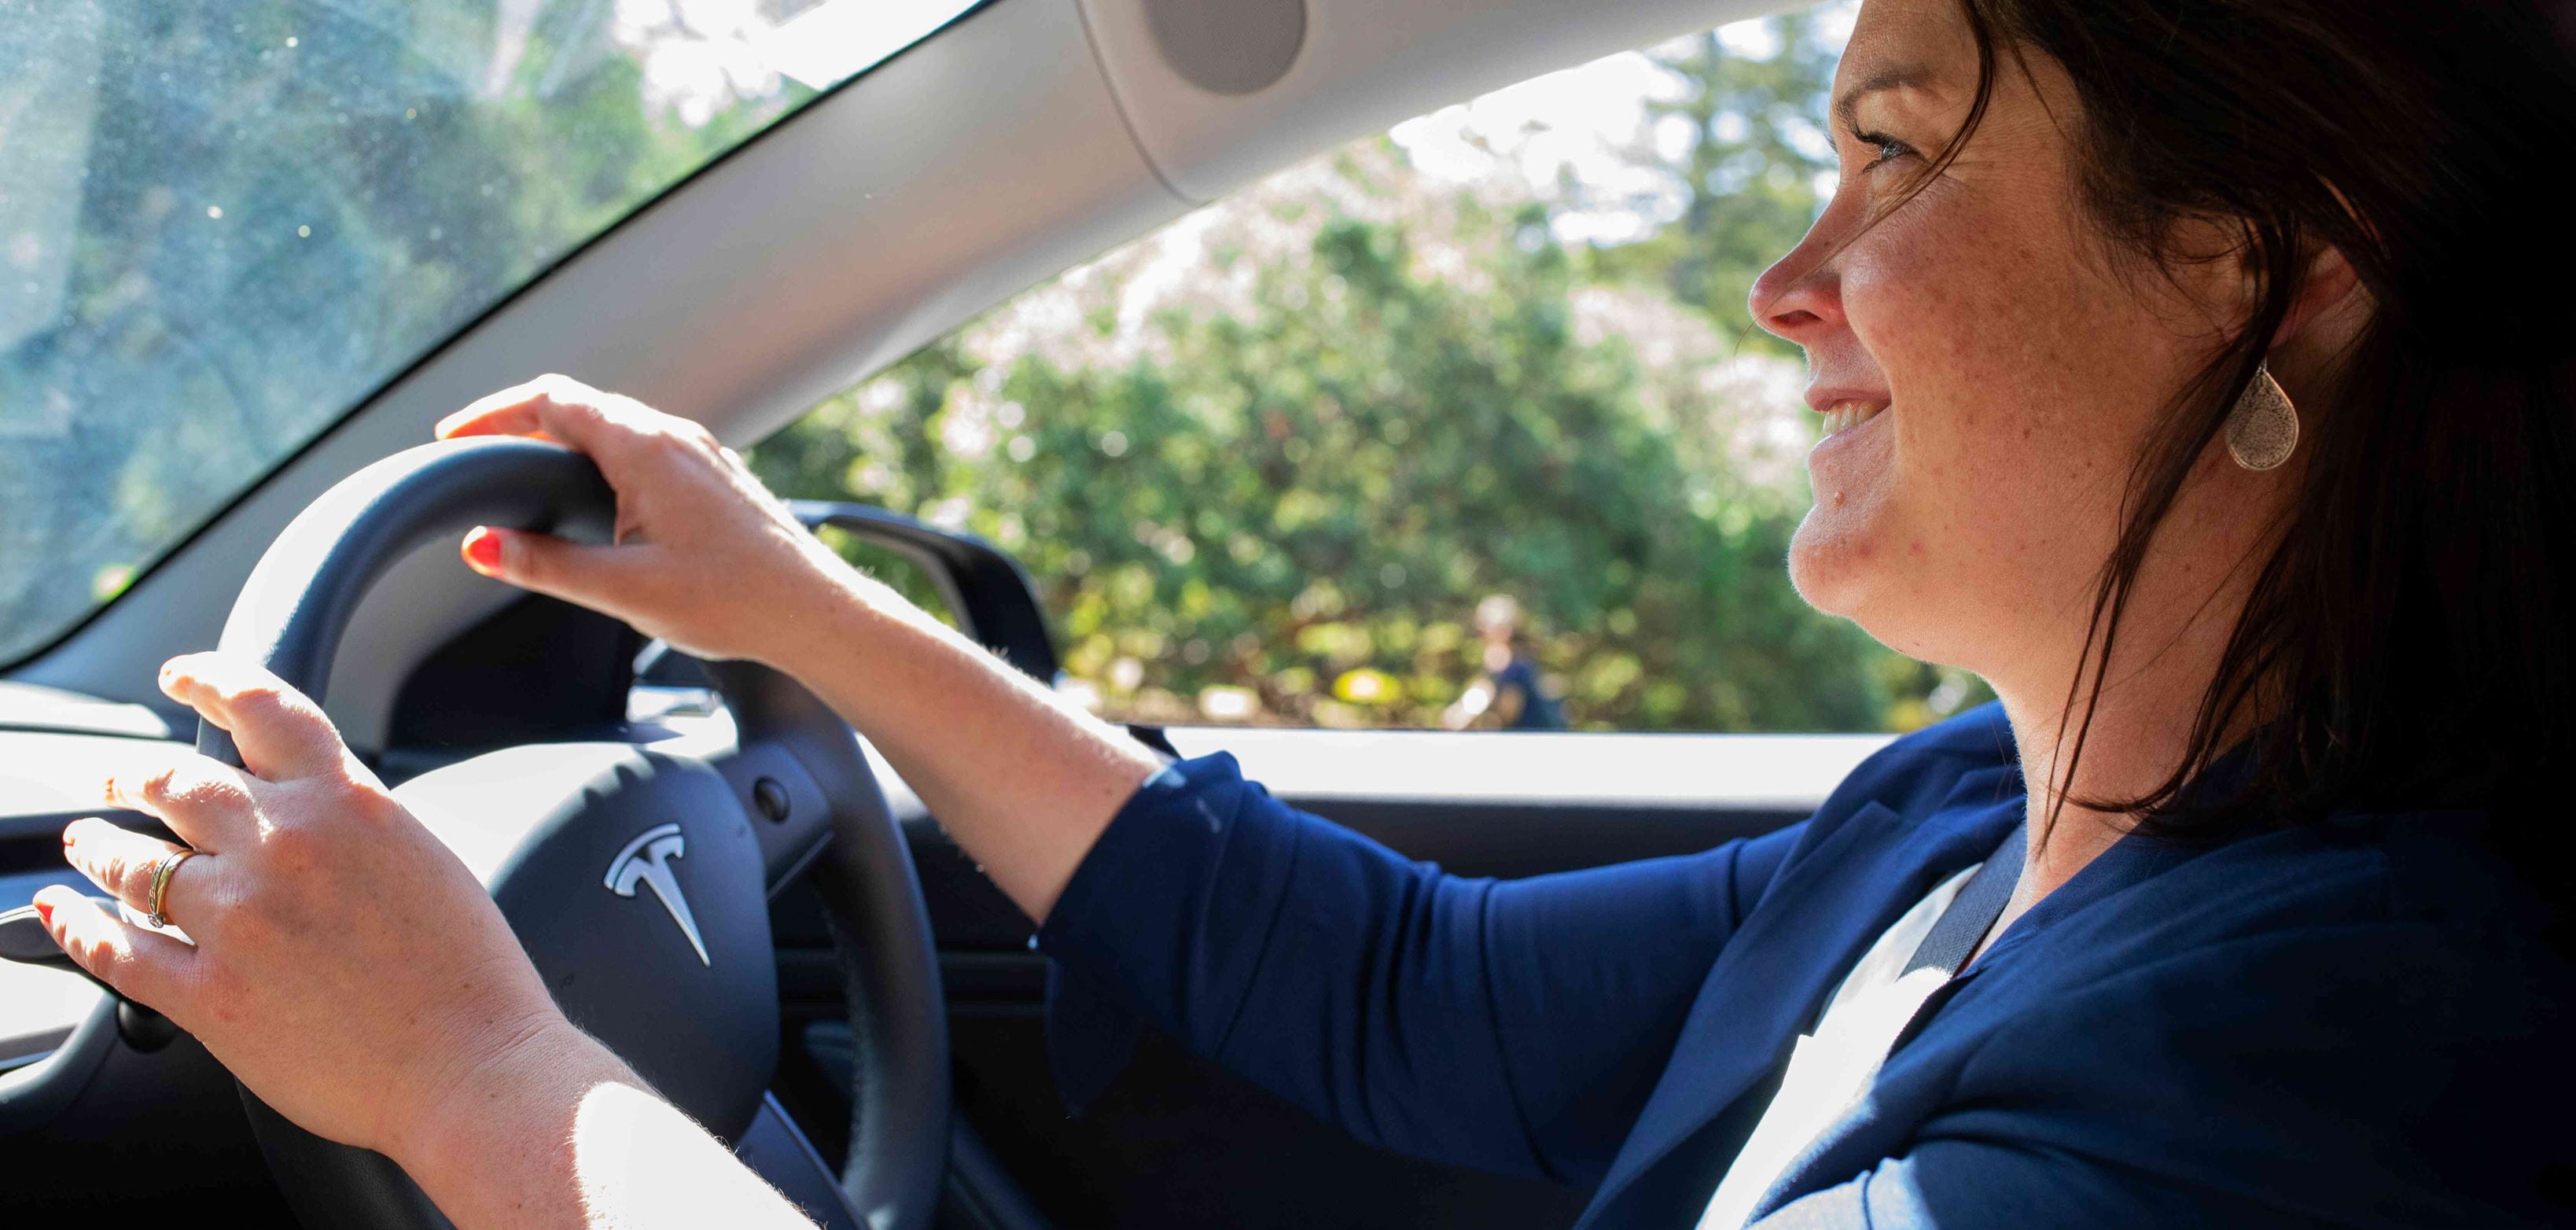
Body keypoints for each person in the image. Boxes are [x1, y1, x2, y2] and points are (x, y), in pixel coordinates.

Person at [31, 0, 2576, 1225]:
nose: (1784, 281)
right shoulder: (1971, 824)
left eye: (1893, 154)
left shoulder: (2299, 1079)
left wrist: (483, 1071)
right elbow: (1392, 986)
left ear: (2259, 270)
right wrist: (790, 603)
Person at [1441, 594, 1564, 730]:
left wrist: (1470, 716)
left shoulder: (1517, 669)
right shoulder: (1498, 669)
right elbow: (1479, 694)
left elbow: (1508, 715)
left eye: (1485, 630)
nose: (1482, 637)